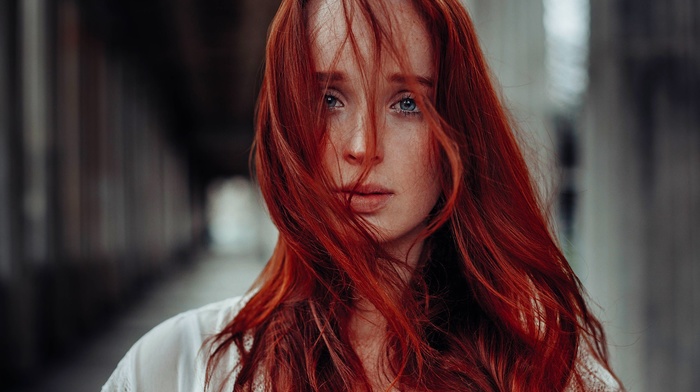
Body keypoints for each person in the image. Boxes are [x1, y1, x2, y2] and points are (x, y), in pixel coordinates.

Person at [103, 0, 622, 391]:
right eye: (329, 99)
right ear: (288, 126)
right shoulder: (173, 367)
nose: (362, 147)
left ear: (458, 133)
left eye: (407, 103)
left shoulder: (551, 371)